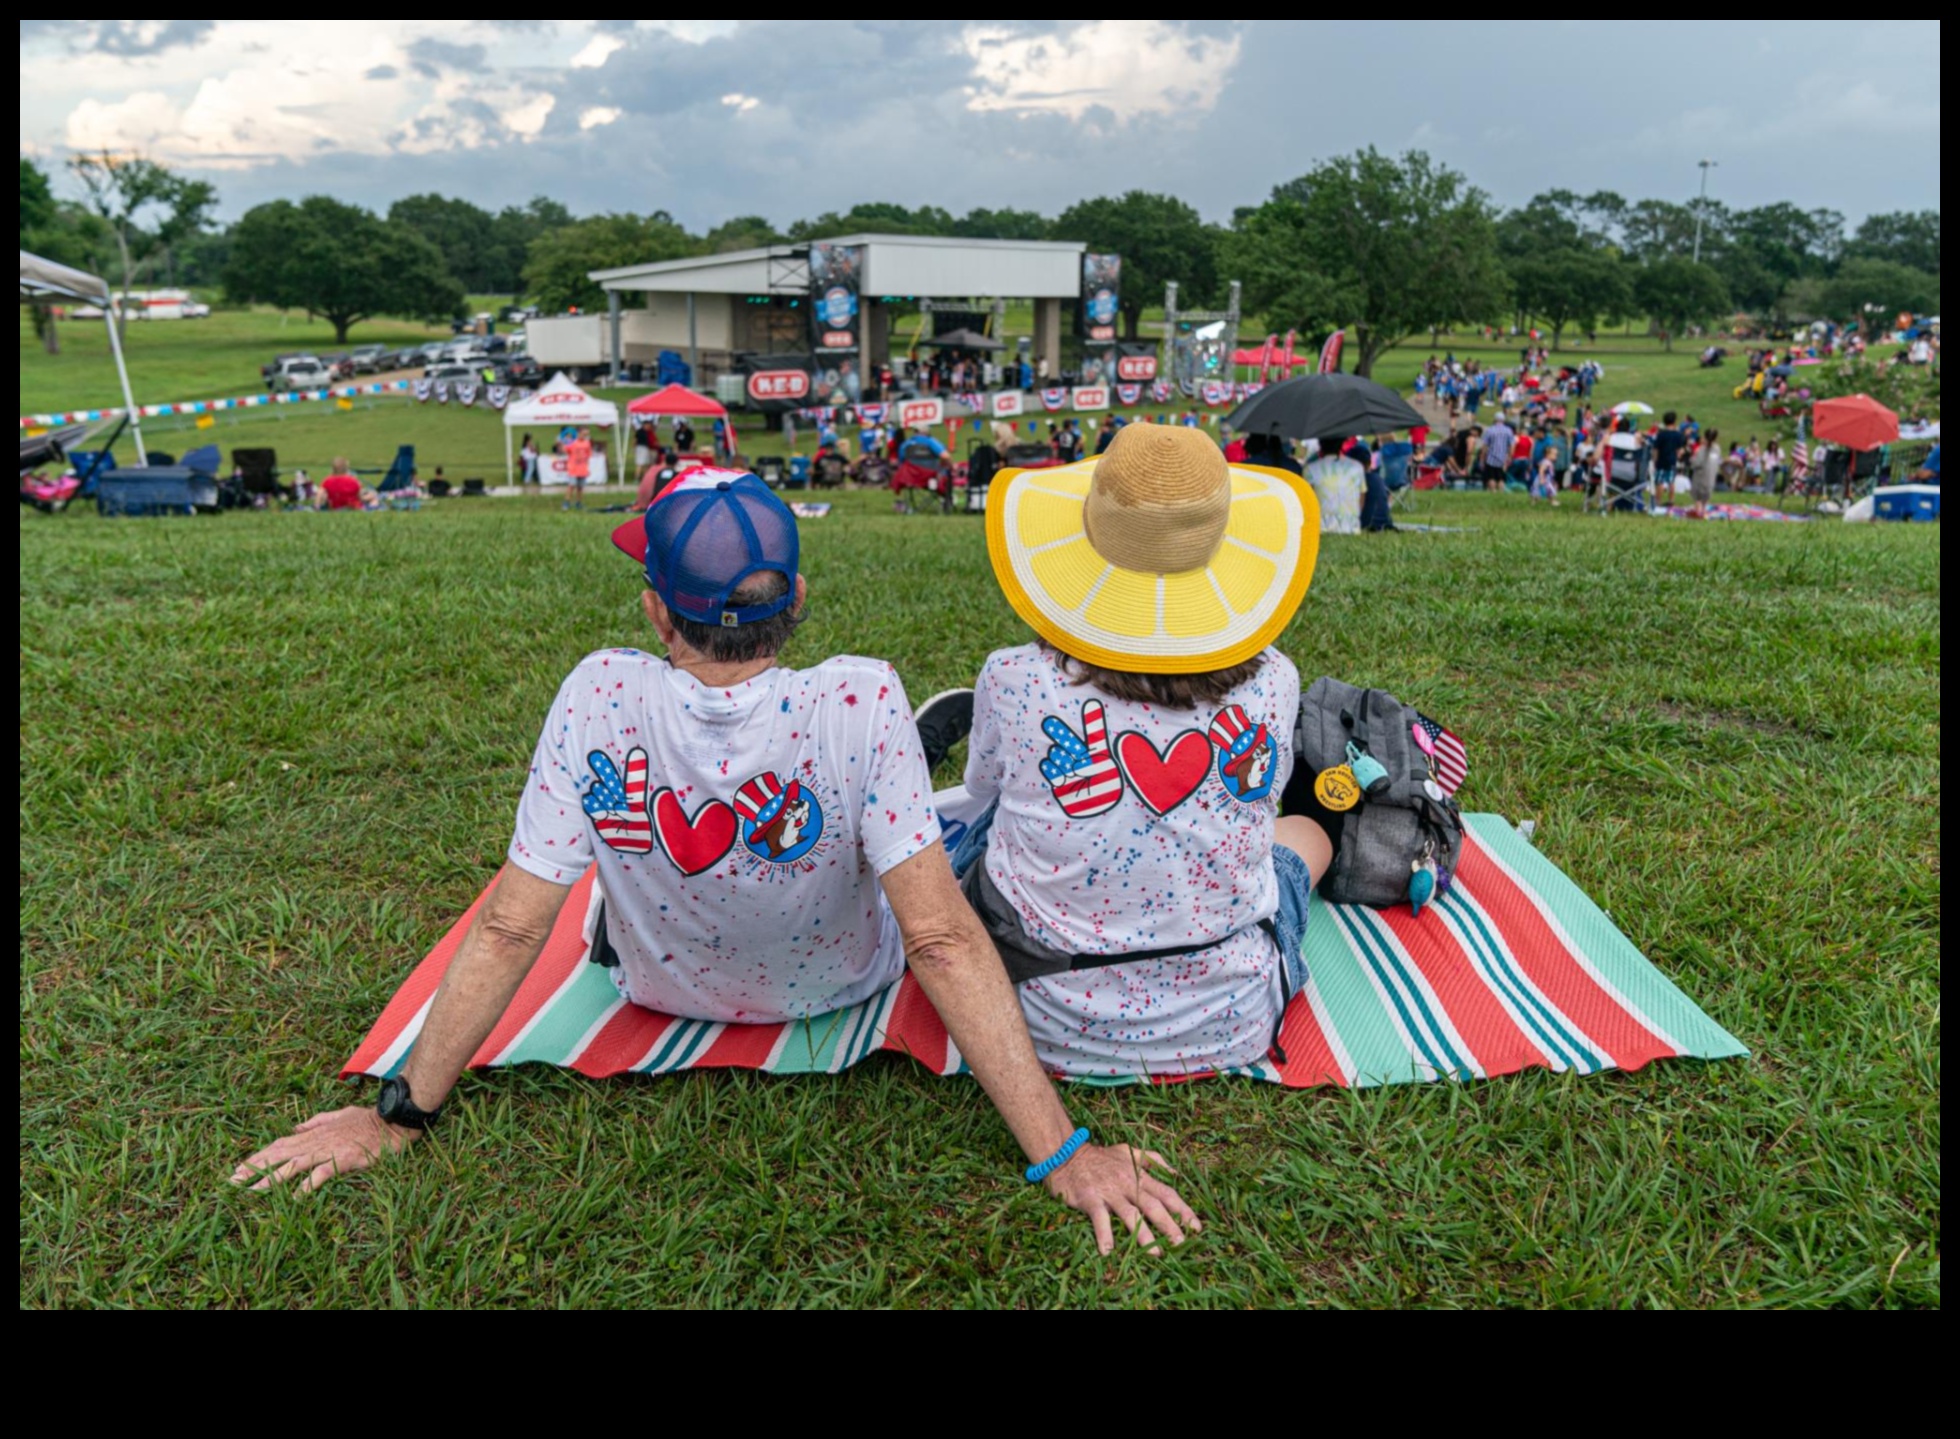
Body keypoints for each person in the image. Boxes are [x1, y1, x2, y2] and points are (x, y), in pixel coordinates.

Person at [236, 471, 1199, 1257]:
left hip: (659, 990)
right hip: (839, 983)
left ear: (658, 611)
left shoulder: (598, 692)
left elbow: (512, 924)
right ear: (798, 601)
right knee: (952, 842)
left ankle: (900, 784)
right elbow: (940, 938)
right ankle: (919, 766)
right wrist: (1062, 1152)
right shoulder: (860, 693)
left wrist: (397, 1117)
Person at [924, 426, 1329, 1082]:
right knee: (1305, 833)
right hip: (1234, 1017)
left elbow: (983, 787)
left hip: (1031, 1014)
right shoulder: (1275, 678)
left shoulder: (1011, 675)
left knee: (980, 841)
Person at [1306, 433, 1365, 535]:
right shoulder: (1357, 467)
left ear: (1320, 445)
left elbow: (1307, 501)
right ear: (1342, 443)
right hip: (1352, 528)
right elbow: (1361, 497)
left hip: (1321, 528)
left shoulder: (1310, 469)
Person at [1688, 428, 1722, 518]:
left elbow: (1696, 463)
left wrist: (1692, 458)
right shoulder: (1717, 449)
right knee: (1706, 494)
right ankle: (1704, 509)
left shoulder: (1701, 450)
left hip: (1700, 476)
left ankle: (1698, 512)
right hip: (1711, 476)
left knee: (1698, 496)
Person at [1480, 414, 1515, 491]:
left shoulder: (1490, 430)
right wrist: (1509, 457)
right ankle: (1500, 492)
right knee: (1501, 477)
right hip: (1503, 458)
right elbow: (1512, 445)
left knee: (1491, 477)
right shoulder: (1508, 431)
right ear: (1503, 420)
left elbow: (1484, 446)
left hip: (1491, 458)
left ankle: (1493, 491)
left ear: (1495, 420)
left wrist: (1482, 459)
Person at [563, 427, 593, 511]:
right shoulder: (573, 443)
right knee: (571, 486)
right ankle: (566, 502)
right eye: (584, 434)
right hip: (573, 468)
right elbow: (566, 451)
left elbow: (588, 454)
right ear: (579, 433)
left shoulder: (587, 443)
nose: (585, 436)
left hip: (583, 469)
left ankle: (578, 502)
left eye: (586, 435)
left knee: (580, 487)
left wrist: (586, 466)